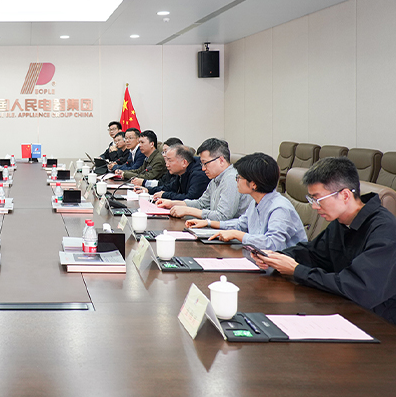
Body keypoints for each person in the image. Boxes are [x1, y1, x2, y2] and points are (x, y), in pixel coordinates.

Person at [250, 157, 396, 324]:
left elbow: (357, 287)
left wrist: (296, 270)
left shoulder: (384, 230)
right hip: (345, 309)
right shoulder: (341, 222)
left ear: (345, 195)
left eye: (318, 199)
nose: (314, 206)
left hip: (379, 323)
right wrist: (276, 257)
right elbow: (313, 254)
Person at [187, 152, 306, 250]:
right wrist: (208, 223)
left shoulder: (279, 208)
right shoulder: (256, 202)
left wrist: (237, 235)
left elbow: (273, 244)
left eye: (239, 177)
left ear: (254, 184)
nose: (236, 181)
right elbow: (241, 224)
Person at [159, 138, 251, 221]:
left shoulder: (231, 179)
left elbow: (222, 216)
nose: (203, 168)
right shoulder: (215, 179)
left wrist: (188, 211)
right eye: (201, 164)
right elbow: (201, 203)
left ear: (221, 160)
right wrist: (173, 203)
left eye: (205, 163)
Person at [142, 144, 209, 201]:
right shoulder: (181, 172)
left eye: (170, 161)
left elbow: (190, 198)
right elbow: (170, 188)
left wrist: (164, 195)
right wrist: (148, 190)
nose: (167, 165)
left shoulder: (199, 175)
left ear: (184, 162)